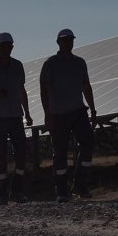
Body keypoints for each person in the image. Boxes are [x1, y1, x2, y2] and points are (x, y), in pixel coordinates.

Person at [40, 28, 97, 202]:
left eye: (71, 40)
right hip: (58, 114)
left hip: (78, 111)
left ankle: (81, 185)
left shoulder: (79, 63)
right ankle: (62, 191)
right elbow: (44, 91)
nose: (68, 43)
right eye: (65, 40)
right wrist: (47, 115)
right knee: (60, 152)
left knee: (88, 143)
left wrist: (93, 110)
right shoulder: (50, 64)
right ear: (58, 42)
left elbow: (86, 86)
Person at [0, 32, 33, 205]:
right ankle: (2, 193)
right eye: (3, 46)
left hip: (16, 116)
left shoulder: (18, 66)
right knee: (0, 156)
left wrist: (28, 113)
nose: (6, 49)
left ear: (12, 47)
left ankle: (17, 191)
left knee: (21, 155)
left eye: (9, 46)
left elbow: (22, 90)